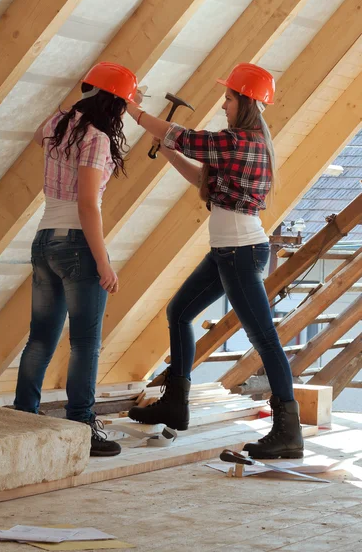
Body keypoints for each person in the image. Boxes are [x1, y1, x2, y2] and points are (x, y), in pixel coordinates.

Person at [125, 63, 303, 460]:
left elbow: (183, 136)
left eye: (228, 97)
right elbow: (200, 177)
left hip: (239, 253)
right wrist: (169, 153)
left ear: (246, 103)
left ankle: (288, 431)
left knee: (265, 340)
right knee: (180, 311)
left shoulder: (241, 142)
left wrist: (133, 111)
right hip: (230, 252)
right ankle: (176, 402)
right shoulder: (242, 144)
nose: (223, 104)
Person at [14, 62, 142, 457]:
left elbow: (39, 139)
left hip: (43, 241)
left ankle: (23, 420)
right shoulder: (97, 138)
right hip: (77, 246)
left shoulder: (56, 123)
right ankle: (82, 424)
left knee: (40, 339)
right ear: (116, 104)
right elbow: (88, 205)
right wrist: (103, 263)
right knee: (85, 342)